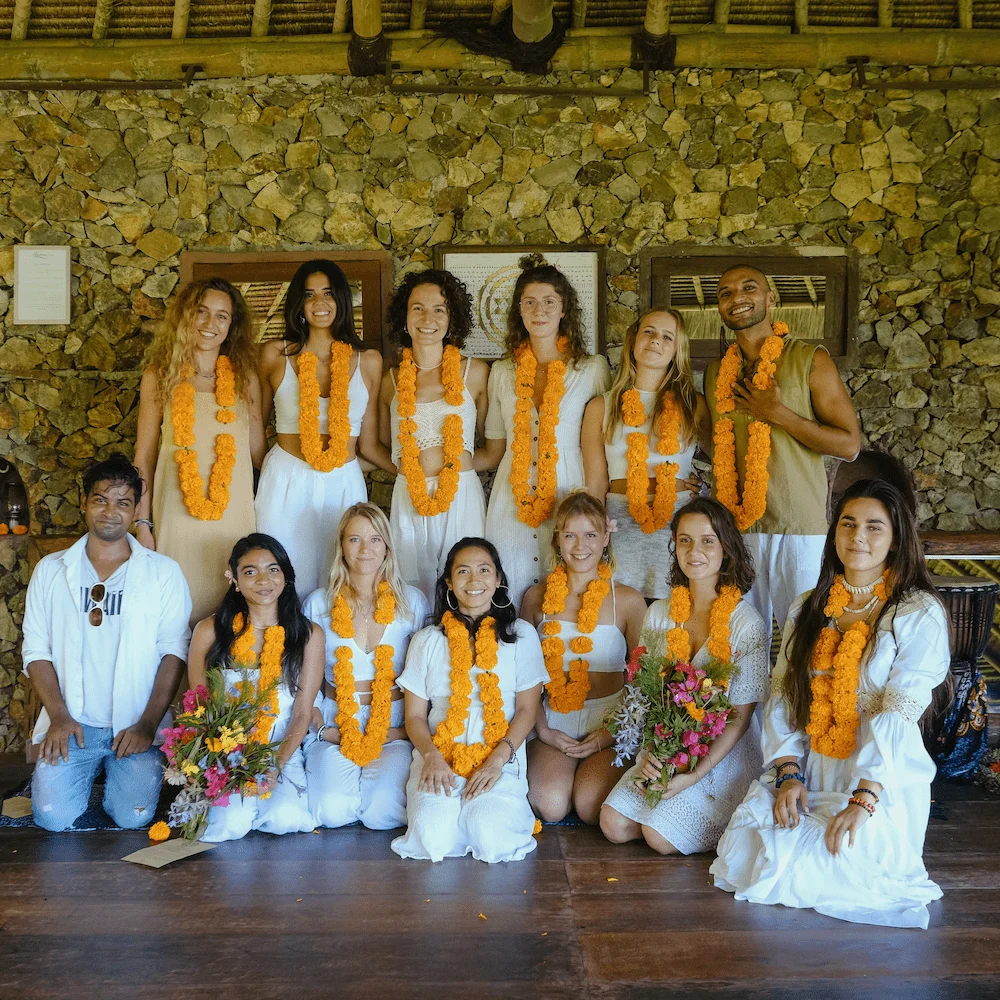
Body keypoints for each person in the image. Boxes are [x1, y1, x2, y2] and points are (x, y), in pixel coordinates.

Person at [711, 480, 951, 929]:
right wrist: (787, 776)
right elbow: (785, 697)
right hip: (812, 772)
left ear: (897, 537)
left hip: (881, 783)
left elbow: (898, 716)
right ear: (834, 533)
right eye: (848, 523)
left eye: (874, 527)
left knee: (831, 863)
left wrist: (863, 799)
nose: (858, 537)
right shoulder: (809, 606)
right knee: (750, 845)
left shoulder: (917, 612)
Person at [23, 454, 191, 831]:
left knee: (134, 818)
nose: (110, 512)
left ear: (134, 511)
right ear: (84, 503)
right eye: (101, 499)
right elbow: (36, 650)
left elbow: (173, 652)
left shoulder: (162, 573)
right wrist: (60, 716)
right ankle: (81, 780)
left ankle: (113, 783)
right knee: (52, 818)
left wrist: (148, 724)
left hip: (131, 726)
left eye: (123, 502)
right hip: (73, 724)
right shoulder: (51, 570)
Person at [600, 497, 769, 854]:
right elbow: (645, 697)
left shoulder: (745, 623)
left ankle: (728, 817)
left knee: (658, 839)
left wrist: (694, 773)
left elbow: (739, 717)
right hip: (665, 744)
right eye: (685, 540)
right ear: (674, 545)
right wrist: (647, 754)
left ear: (727, 548)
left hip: (722, 754)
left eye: (708, 540)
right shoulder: (660, 613)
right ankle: (665, 812)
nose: (695, 551)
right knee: (613, 825)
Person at [705, 265, 860, 647]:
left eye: (749, 288)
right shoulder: (714, 373)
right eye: (725, 293)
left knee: (807, 645)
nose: (737, 298)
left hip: (799, 529)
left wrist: (778, 414)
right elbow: (718, 443)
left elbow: (849, 445)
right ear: (720, 309)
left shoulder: (810, 359)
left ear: (771, 299)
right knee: (738, 647)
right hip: (736, 531)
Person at [391, 538, 548, 863]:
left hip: (500, 756)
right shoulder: (427, 639)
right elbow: (415, 718)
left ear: (498, 579)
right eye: (463, 571)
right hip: (437, 755)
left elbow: (527, 710)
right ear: (449, 581)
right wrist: (432, 757)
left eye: (484, 570)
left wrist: (496, 760)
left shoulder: (521, 634)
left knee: (491, 833)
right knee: (430, 836)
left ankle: (481, 812)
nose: (474, 580)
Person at [480, 254, 612, 607]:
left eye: (549, 302)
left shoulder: (591, 369)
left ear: (564, 309)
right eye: (530, 302)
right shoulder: (503, 372)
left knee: (570, 594)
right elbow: (495, 447)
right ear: (519, 311)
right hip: (512, 500)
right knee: (510, 588)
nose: (540, 311)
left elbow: (610, 442)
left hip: (570, 494)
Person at [134, 278, 264, 623]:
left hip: (233, 518)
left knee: (232, 616)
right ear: (185, 318)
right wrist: (143, 524)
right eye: (202, 312)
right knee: (175, 614)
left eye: (222, 316)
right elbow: (143, 457)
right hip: (176, 516)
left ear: (231, 325)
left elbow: (259, 456)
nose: (211, 324)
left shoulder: (245, 378)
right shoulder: (160, 375)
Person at [256, 260, 383, 599]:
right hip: (285, 480)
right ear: (298, 303)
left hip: (344, 481)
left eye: (328, 293)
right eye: (309, 295)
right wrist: (265, 472)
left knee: (344, 575)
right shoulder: (275, 354)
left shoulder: (367, 360)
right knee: (279, 571)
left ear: (341, 299)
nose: (319, 303)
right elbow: (255, 425)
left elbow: (368, 445)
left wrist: (416, 476)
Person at [186, 534, 324, 841]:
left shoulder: (308, 635)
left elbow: (302, 714)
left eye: (273, 569)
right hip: (225, 752)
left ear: (286, 576)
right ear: (233, 579)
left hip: (281, 749)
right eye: (250, 571)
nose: (264, 580)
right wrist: (227, 758)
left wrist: (274, 766)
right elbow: (198, 707)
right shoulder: (209, 631)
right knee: (227, 825)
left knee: (286, 819)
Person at [521, 492, 647, 825]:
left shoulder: (629, 601)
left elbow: (644, 681)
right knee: (550, 804)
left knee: (591, 805)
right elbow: (524, 676)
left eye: (590, 534)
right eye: (570, 535)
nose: (581, 545)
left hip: (609, 723)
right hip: (552, 719)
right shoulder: (536, 598)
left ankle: (589, 778)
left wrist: (613, 733)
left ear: (606, 537)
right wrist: (543, 730)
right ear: (557, 540)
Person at [303, 503, 429, 829]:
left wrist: (402, 733)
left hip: (396, 727)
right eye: (354, 539)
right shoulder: (318, 603)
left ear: (387, 547)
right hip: (333, 722)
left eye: (375, 539)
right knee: (330, 810)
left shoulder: (412, 602)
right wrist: (322, 728)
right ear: (341, 547)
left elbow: (426, 677)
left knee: (383, 812)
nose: (365, 549)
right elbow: (304, 679)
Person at [378, 270, 489, 603]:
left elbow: (493, 447)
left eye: (439, 309)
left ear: (452, 317)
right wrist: (406, 471)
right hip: (408, 498)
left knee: (466, 584)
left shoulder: (476, 372)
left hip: (461, 495)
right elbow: (378, 445)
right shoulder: (391, 381)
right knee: (412, 589)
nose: (428, 318)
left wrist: (459, 467)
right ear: (404, 317)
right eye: (418, 308)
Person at [582, 308, 710, 599]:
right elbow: (596, 485)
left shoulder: (694, 405)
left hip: (678, 519)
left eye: (667, 337)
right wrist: (593, 536)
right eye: (649, 332)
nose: (656, 340)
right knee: (623, 608)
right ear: (633, 341)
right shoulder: (601, 407)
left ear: (677, 350)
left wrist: (703, 485)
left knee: (672, 613)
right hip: (620, 520)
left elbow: (726, 458)